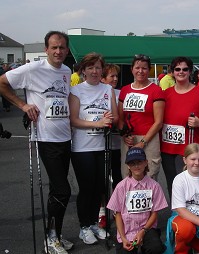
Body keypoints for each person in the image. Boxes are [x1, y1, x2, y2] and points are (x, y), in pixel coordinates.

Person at [0, 31, 73, 253]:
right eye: (54, 47)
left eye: (62, 47)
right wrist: (23, 106)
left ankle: (55, 235)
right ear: (46, 49)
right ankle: (51, 237)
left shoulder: (67, 71)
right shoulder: (33, 69)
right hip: (45, 137)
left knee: (56, 190)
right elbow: (2, 83)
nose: (58, 51)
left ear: (67, 50)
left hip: (65, 137)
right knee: (63, 190)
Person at [69, 52, 118, 245]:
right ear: (83, 71)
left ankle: (96, 223)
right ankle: (84, 226)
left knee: (100, 187)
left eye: (98, 67)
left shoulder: (107, 89)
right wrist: (98, 123)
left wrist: (109, 119)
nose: (95, 71)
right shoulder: (77, 91)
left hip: (102, 146)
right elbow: (73, 120)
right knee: (87, 187)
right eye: (90, 67)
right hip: (82, 148)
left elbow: (113, 116)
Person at [160, 56, 199, 197]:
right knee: (172, 182)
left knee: (188, 184)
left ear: (190, 71)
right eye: (177, 69)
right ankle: (176, 213)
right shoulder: (166, 94)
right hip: (167, 147)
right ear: (173, 72)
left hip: (188, 148)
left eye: (185, 69)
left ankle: (190, 213)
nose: (181, 72)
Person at [107, 147, 168, 254]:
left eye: (139, 162)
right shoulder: (121, 187)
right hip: (127, 230)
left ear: (146, 163)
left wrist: (143, 231)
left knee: (156, 248)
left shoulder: (154, 186)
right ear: (128, 166)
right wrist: (123, 238)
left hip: (147, 228)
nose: (136, 166)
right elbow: (117, 214)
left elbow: (154, 213)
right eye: (132, 163)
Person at [118, 54, 165, 181]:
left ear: (149, 69)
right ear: (132, 69)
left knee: (149, 176)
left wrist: (142, 143)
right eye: (137, 67)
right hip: (129, 140)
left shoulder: (156, 90)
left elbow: (159, 122)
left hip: (149, 139)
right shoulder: (125, 90)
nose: (140, 71)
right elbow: (120, 118)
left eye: (144, 68)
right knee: (128, 176)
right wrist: (124, 135)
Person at [98, 63, 122, 229]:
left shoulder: (121, 93)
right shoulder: (98, 94)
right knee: (102, 181)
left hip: (119, 145)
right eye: (111, 76)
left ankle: (119, 210)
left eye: (116, 76)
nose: (115, 79)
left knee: (119, 179)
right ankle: (101, 212)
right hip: (100, 144)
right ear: (102, 78)